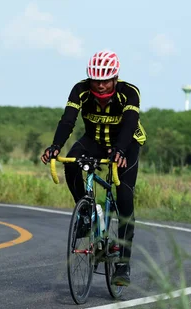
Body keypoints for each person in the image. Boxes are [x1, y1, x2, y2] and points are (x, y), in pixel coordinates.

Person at [40, 50, 147, 286]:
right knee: (71, 164)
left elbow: (129, 124)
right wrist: (55, 146)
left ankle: (123, 265)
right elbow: (68, 120)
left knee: (125, 197)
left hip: (126, 143)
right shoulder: (80, 89)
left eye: (106, 80)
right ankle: (86, 214)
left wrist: (119, 150)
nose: (100, 85)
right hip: (94, 141)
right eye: (96, 80)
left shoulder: (129, 92)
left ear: (115, 78)